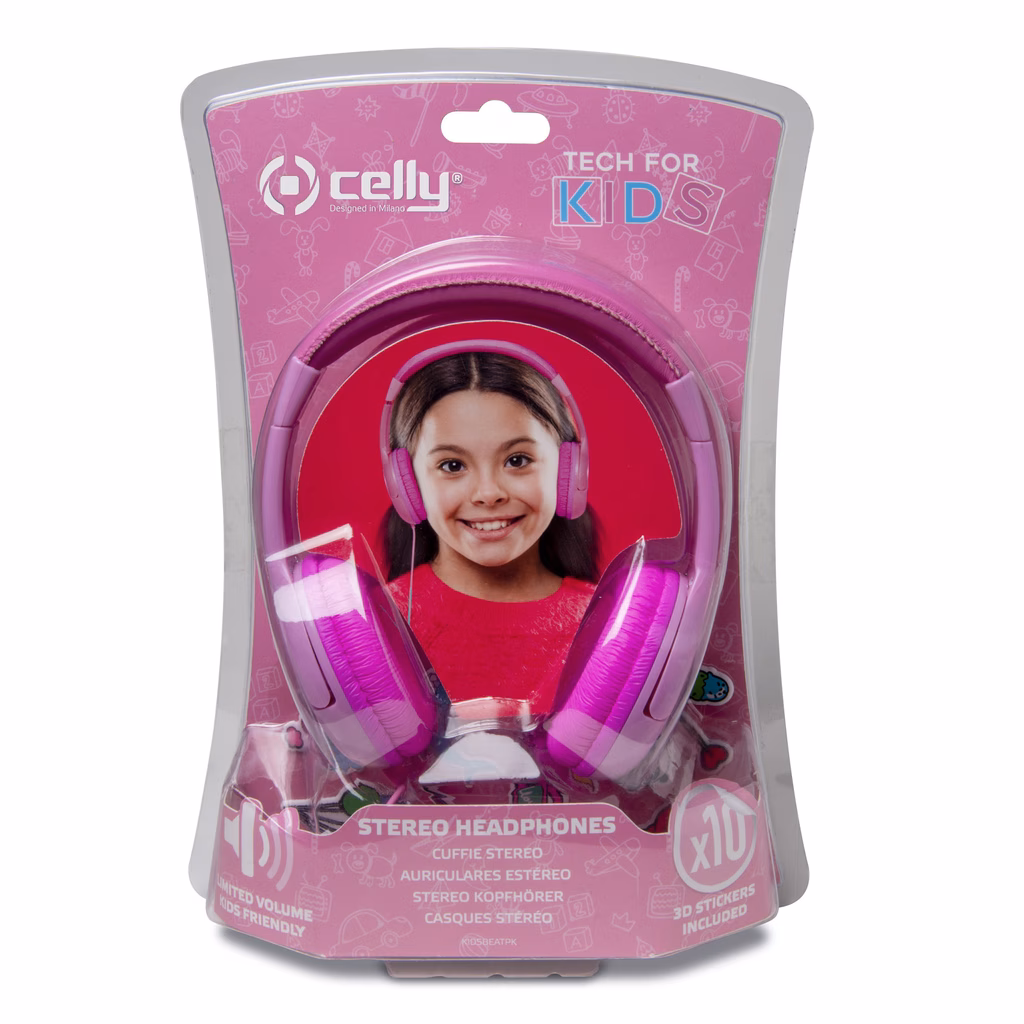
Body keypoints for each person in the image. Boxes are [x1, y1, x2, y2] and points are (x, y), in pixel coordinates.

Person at [383, 348, 599, 716]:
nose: (488, 493)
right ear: (406, 484)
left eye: (517, 460)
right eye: (452, 465)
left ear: (569, 470)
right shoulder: (380, 625)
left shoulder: (608, 623)